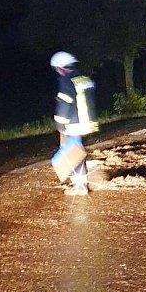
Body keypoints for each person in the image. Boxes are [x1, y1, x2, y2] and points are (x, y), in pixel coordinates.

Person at [50, 51, 99, 196]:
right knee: (76, 151)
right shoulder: (83, 79)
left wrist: (60, 124)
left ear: (61, 67)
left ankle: (79, 186)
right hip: (87, 122)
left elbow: (64, 102)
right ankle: (79, 182)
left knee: (73, 153)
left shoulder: (66, 81)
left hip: (74, 123)